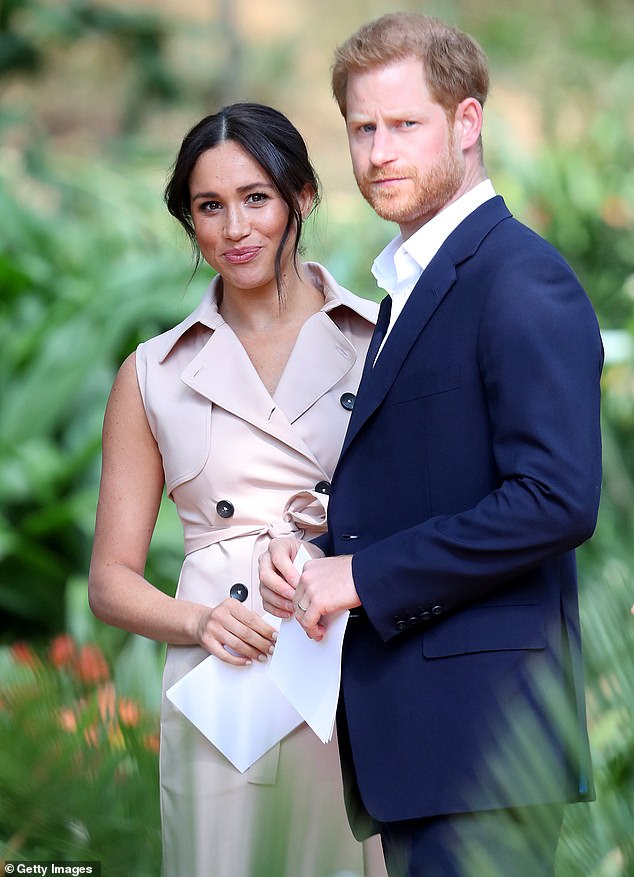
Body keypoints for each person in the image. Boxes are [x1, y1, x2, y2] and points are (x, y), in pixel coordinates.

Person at [260, 14, 603, 877]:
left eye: (404, 124)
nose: (378, 151)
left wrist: (361, 577)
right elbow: (432, 481)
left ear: (467, 123)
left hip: (484, 749)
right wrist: (316, 552)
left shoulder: (519, 279)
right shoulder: (407, 287)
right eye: (362, 128)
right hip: (424, 748)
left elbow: (556, 498)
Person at [88, 102, 387, 877]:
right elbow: (110, 582)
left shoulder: (378, 341)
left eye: (256, 197)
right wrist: (201, 621)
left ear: (303, 197)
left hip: (352, 666)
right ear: (189, 220)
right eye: (208, 206)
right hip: (225, 689)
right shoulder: (154, 372)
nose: (234, 227)